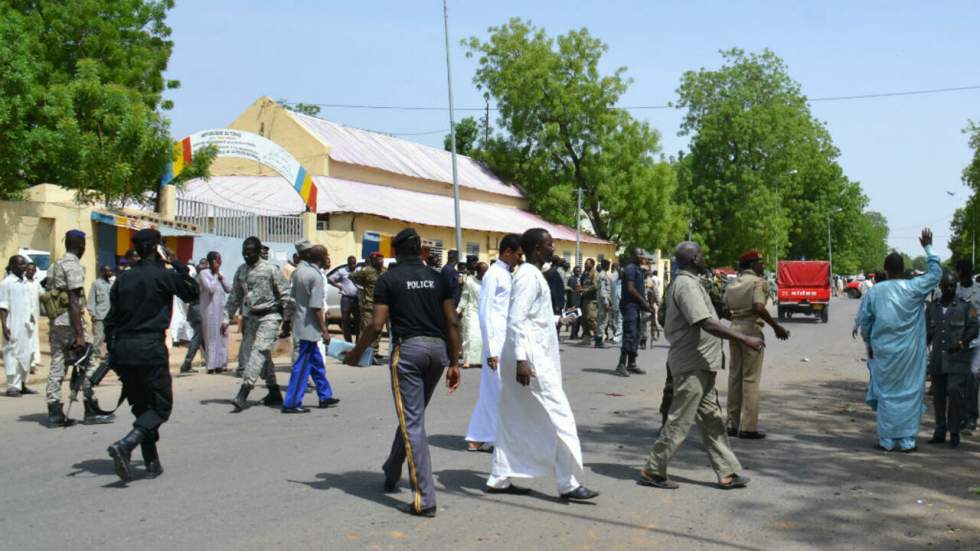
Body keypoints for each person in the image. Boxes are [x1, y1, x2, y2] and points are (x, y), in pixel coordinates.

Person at [344, 228, 461, 518]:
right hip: (437, 353)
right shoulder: (438, 279)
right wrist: (455, 362)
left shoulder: (389, 279)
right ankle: (392, 468)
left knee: (413, 422)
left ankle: (425, 498)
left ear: (395, 252)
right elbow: (453, 321)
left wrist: (356, 353)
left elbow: (375, 324)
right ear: (420, 250)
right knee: (413, 415)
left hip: (408, 352)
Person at [485, 228, 599, 502]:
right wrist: (523, 361)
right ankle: (567, 483)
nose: (553, 247)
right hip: (530, 361)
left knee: (514, 416)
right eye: (550, 244)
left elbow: (534, 317)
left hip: (529, 356)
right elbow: (515, 320)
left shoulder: (532, 275)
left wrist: (559, 320)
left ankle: (499, 477)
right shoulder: (527, 276)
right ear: (537, 248)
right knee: (560, 417)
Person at [638, 241, 762, 490]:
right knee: (680, 419)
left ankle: (728, 471)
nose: (705, 258)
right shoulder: (685, 285)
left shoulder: (692, 283)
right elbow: (705, 323)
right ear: (694, 258)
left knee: (712, 420)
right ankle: (653, 469)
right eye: (701, 255)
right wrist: (744, 338)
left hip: (701, 362)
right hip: (691, 362)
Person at [104, 229, 199, 482]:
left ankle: (152, 462)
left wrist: (113, 352)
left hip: (123, 350)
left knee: (142, 407)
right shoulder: (164, 275)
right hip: (149, 348)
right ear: (157, 247)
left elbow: (110, 320)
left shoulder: (122, 279)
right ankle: (126, 444)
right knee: (160, 407)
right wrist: (176, 263)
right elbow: (193, 292)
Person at [856, 229, 941, 452]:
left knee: (886, 394)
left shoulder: (875, 292)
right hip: (911, 352)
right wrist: (928, 247)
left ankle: (886, 441)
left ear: (885, 270)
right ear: (903, 270)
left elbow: (865, 323)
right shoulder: (914, 288)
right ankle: (907, 441)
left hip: (884, 352)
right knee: (911, 392)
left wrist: (870, 346)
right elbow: (936, 274)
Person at [44, 230, 114, 427]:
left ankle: (54, 411)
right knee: (88, 362)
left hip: (57, 322)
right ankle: (90, 408)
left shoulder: (55, 264)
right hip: (71, 324)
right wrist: (80, 335)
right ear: (81, 246)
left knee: (58, 364)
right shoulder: (72, 265)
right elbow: (74, 301)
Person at [722, 251, 790, 439]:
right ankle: (748, 427)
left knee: (734, 377)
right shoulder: (758, 282)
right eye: (760, 262)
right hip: (751, 329)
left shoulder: (732, 283)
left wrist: (738, 318)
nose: (763, 266)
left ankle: (731, 424)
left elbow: (725, 308)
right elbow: (759, 308)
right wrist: (776, 327)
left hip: (734, 328)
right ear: (752, 264)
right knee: (750, 379)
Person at [465, 234, 522, 452]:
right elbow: (485, 312)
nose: (519, 258)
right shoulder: (493, 275)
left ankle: (483, 436)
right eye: (517, 254)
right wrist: (489, 347)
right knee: (493, 389)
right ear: (507, 252)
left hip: (503, 339)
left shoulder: (506, 274)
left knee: (496, 390)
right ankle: (479, 437)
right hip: (494, 341)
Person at [225, 236, 294, 412]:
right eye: (244, 253)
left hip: (270, 316)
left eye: (250, 253)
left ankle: (244, 392)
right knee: (264, 357)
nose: (246, 257)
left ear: (258, 252)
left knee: (258, 352)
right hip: (252, 317)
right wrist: (226, 319)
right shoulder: (241, 271)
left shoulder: (271, 269)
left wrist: (287, 321)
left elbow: (285, 295)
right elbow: (234, 297)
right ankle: (273, 391)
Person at [282, 244, 339, 413]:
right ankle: (292, 403)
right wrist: (325, 330)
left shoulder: (299, 271)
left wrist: (286, 321)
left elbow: (292, 301)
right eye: (326, 256)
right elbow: (316, 307)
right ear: (321, 258)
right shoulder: (315, 276)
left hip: (301, 324)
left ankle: (325, 395)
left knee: (316, 363)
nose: (328, 259)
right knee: (302, 367)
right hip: (309, 328)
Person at [925, 272, 978, 448]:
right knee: (938, 397)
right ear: (940, 286)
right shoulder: (932, 308)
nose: (949, 288)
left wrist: (962, 343)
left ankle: (954, 431)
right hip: (938, 360)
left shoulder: (965, 306)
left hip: (958, 359)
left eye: (952, 285)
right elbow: (926, 334)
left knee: (954, 392)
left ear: (956, 287)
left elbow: (974, 328)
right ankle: (940, 430)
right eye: (946, 285)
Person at [2, 255, 37, 396]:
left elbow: (27, 303)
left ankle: (22, 384)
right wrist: (4, 325)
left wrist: (31, 316)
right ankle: (12, 386)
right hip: (13, 324)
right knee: (12, 354)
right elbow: (3, 306)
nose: (24, 267)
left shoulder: (24, 282)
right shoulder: (6, 283)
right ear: (13, 266)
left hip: (26, 326)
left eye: (25, 264)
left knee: (27, 354)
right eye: (21, 264)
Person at [617, 248, 654, 377]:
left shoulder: (638, 269)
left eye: (643, 254)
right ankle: (621, 364)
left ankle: (631, 363)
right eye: (639, 254)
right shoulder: (630, 269)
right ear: (633, 255)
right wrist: (643, 302)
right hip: (629, 306)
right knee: (629, 333)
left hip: (636, 306)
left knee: (636, 334)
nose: (642, 256)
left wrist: (645, 305)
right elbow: (630, 289)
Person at [954, 260, 980, 434]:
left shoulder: (979, 290)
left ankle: (971, 417)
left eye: (967, 274)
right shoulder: (950, 289)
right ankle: (959, 417)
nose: (964, 277)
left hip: (977, 341)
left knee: (973, 373)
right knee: (957, 380)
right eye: (962, 274)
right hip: (956, 342)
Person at [198, 252, 231, 374]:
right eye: (217, 260)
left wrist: (220, 277)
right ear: (211, 262)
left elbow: (229, 289)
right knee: (211, 337)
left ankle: (221, 364)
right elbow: (210, 288)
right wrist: (215, 275)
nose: (219, 262)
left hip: (221, 310)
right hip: (209, 311)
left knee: (222, 336)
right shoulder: (203, 273)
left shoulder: (221, 274)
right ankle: (211, 365)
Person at [351, 252, 385, 363]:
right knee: (366, 329)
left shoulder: (385, 271)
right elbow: (352, 276)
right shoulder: (366, 271)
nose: (381, 262)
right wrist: (362, 286)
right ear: (373, 260)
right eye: (378, 260)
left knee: (378, 329)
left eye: (382, 259)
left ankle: (374, 352)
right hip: (369, 304)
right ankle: (364, 353)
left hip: (381, 305)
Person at [179, 259, 207, 374]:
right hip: (199, 312)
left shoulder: (195, 280)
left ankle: (211, 362)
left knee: (203, 338)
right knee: (198, 338)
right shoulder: (203, 281)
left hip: (194, 311)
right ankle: (186, 363)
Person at [457, 259, 486, 368]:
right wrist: (458, 310)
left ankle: (480, 360)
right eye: (484, 271)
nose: (485, 274)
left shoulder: (487, 282)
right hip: (471, 311)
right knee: (470, 335)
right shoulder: (469, 281)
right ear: (478, 271)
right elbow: (464, 297)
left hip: (483, 312)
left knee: (481, 337)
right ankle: (467, 360)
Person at [328, 255, 361, 343]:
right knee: (345, 320)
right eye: (351, 264)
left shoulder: (359, 270)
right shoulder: (342, 271)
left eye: (354, 264)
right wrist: (338, 286)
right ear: (348, 264)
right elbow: (330, 279)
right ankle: (348, 341)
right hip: (346, 298)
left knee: (358, 320)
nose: (352, 266)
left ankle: (358, 341)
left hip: (357, 299)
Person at [86, 265, 113, 362]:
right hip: (100, 315)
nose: (109, 273)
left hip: (111, 315)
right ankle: (95, 355)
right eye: (107, 271)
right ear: (102, 272)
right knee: (99, 336)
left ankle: (109, 354)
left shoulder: (113, 283)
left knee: (110, 336)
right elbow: (91, 300)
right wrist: (92, 313)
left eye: (110, 271)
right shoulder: (96, 284)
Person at [24, 261, 42, 370]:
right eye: (29, 269)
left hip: (34, 316)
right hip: (23, 316)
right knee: (25, 339)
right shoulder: (22, 282)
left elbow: (43, 294)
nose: (31, 271)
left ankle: (33, 362)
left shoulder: (36, 282)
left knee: (33, 339)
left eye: (33, 270)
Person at [578, 258, 599, 346]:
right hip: (585, 299)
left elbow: (595, 286)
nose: (585, 265)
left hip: (592, 300)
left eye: (587, 264)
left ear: (592, 264)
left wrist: (585, 290)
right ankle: (586, 338)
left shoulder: (595, 274)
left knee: (591, 319)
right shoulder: (585, 274)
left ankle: (599, 336)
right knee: (584, 320)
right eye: (585, 264)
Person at [597, 260, 611, 347]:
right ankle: (599, 340)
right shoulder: (602, 275)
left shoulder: (604, 274)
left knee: (603, 320)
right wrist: (606, 302)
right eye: (607, 265)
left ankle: (600, 339)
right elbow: (602, 290)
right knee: (602, 321)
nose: (609, 267)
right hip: (603, 301)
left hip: (605, 300)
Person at [608, 263, 622, 344]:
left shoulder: (617, 278)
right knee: (615, 320)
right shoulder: (613, 277)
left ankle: (617, 337)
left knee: (619, 319)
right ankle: (617, 335)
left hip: (619, 301)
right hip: (614, 301)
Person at [566, 265, 582, 339]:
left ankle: (575, 333)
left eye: (579, 270)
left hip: (579, 301)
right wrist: (573, 304)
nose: (578, 272)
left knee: (578, 319)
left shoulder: (580, 278)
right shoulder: (572, 279)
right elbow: (571, 293)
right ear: (574, 271)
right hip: (574, 302)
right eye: (577, 270)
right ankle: (573, 334)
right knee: (574, 319)